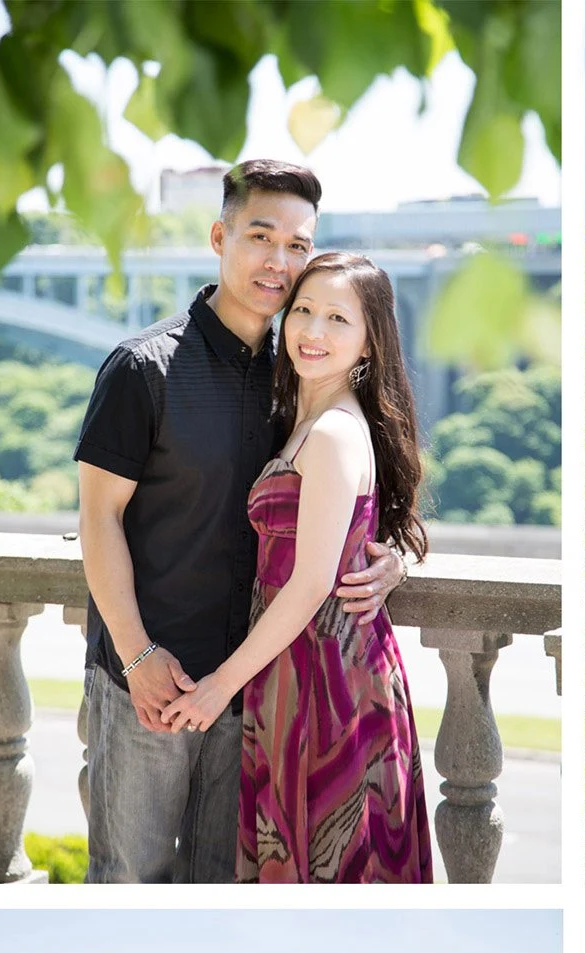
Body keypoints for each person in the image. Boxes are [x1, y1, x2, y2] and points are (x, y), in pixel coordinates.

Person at [75, 159, 405, 885]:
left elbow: (343, 495)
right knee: (129, 880)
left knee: (225, 884)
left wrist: (392, 558)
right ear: (220, 237)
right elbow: (98, 521)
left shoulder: (299, 378)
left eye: (297, 245)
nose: (279, 261)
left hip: (253, 692)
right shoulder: (142, 370)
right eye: (261, 236)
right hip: (148, 684)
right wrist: (137, 658)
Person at [161, 251, 432, 883]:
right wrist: (394, 556)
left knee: (333, 860)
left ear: (370, 344)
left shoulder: (334, 433)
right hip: (294, 669)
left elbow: (311, 582)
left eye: (339, 318)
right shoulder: (300, 423)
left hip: (327, 681)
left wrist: (219, 685)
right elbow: (354, 530)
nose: (312, 331)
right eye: (304, 310)